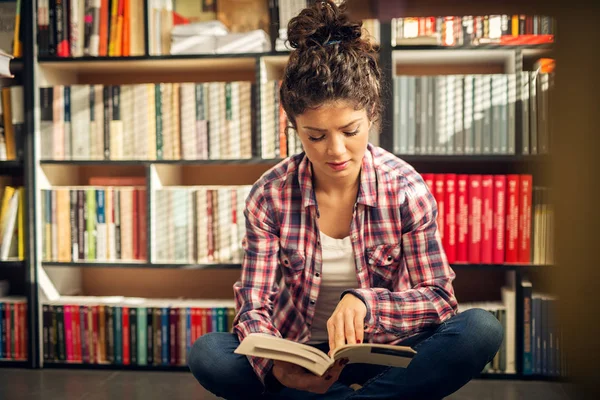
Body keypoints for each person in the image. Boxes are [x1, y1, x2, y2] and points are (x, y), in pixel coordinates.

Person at [188, 1, 503, 399]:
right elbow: (253, 307)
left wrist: (367, 303)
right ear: (294, 128)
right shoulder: (269, 196)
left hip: (384, 349)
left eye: (350, 130)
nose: (335, 150)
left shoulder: (406, 188)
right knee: (210, 354)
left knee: (480, 329)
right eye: (315, 136)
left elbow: (440, 299)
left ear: (371, 115)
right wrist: (278, 367)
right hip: (303, 351)